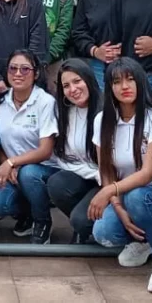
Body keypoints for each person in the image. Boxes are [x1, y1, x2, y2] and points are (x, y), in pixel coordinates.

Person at [88, 58, 152, 293]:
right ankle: (145, 241)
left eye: (130, 79)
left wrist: (109, 191)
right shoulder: (103, 120)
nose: (125, 86)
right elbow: (107, 170)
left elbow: (147, 174)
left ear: (141, 82)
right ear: (109, 87)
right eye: (117, 81)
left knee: (138, 197)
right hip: (128, 194)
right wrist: (118, 207)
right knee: (104, 232)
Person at [0, 49, 58, 244]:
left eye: (25, 69)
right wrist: (7, 166)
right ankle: (28, 214)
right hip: (14, 170)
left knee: (29, 174)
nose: (18, 74)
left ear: (36, 73)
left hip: (43, 170)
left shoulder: (45, 102)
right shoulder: (0, 100)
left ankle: (43, 222)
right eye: (13, 68)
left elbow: (46, 150)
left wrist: (12, 162)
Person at [45, 60, 101, 244]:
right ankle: (82, 227)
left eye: (77, 81)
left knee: (80, 219)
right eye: (66, 85)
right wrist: (91, 172)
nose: (73, 89)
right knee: (56, 183)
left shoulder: (106, 111)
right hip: (89, 176)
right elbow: (62, 157)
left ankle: (86, 226)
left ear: (89, 79)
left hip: (108, 182)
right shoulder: (65, 113)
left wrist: (96, 175)